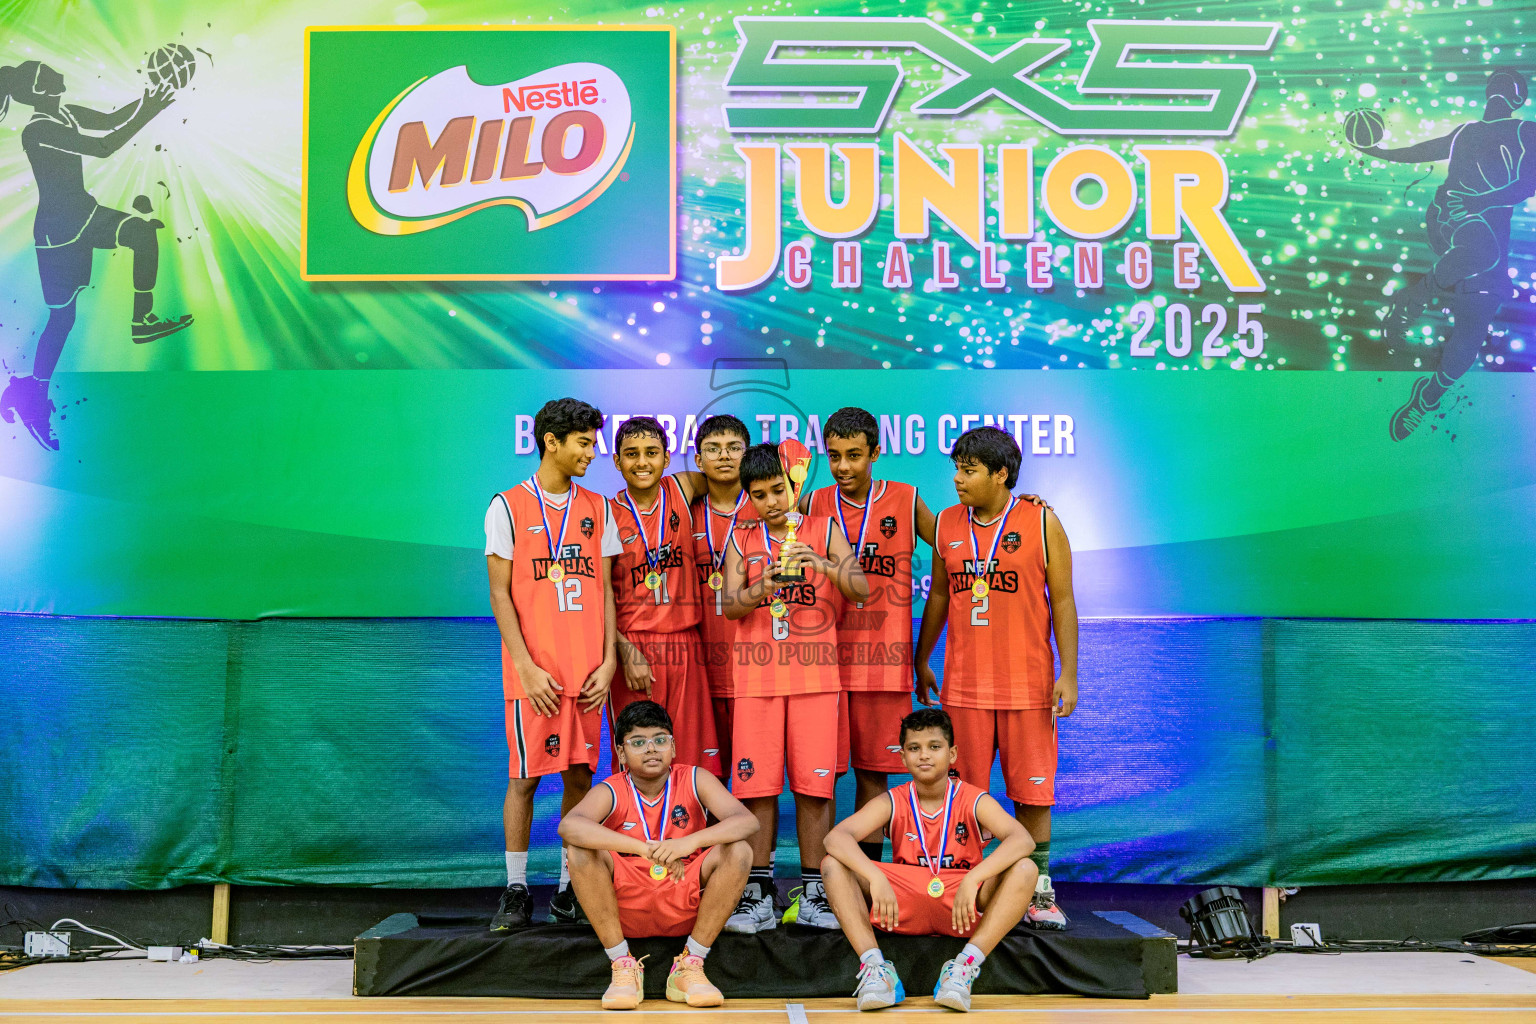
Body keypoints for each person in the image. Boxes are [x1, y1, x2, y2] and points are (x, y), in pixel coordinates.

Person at [804, 408, 1047, 863]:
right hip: (824, 662)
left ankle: (872, 873)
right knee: (823, 778)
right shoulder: (813, 503)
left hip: (884, 662)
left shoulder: (905, 498)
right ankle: (823, 884)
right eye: (834, 456)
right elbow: (770, 516)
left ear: (875, 453)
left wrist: (1017, 504)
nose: (843, 466)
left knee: (874, 774)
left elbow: (964, 539)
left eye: (855, 455)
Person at [915, 426, 1078, 930]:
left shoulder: (1042, 520)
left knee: (1033, 793)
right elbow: (939, 596)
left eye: (969, 470)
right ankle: (971, 887)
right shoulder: (945, 523)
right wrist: (924, 658)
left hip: (1028, 686)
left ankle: (1039, 889)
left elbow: (1064, 601)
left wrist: (1069, 673)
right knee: (964, 795)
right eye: (956, 470)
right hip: (964, 688)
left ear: (1000, 473)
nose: (958, 480)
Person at [0, 61, 192, 451]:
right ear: (39, 89)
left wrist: (148, 98)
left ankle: (142, 320)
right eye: (46, 73)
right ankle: (30, 391)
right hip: (58, 234)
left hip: (86, 214)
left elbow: (109, 121)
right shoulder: (37, 130)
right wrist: (151, 110)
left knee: (142, 233)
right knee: (62, 319)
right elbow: (104, 147)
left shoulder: (65, 112)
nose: (55, 73)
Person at [486, 397, 621, 931]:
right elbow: (500, 594)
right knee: (523, 779)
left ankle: (570, 887)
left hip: (588, 674)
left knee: (581, 777)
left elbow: (607, 591)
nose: (593, 452)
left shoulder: (599, 507)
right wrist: (525, 666)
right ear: (552, 442)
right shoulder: (507, 505)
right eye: (584, 442)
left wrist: (609, 660)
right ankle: (517, 888)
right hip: (536, 675)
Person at [721, 443, 869, 932]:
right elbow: (729, 606)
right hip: (758, 680)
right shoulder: (741, 538)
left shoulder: (824, 528)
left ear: (794, 485)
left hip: (815, 681)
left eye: (778, 490)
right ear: (748, 496)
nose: (771, 502)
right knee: (757, 788)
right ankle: (757, 892)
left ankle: (815, 892)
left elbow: (862, 589)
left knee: (814, 789)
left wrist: (823, 564)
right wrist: (759, 589)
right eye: (759, 494)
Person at [1350, 68, 1536, 440]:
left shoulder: (1524, 131)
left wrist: (1377, 150)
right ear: (1519, 96)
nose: (1497, 96)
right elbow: (1422, 151)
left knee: (1471, 329)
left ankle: (1425, 399)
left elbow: (1528, 182)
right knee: (1479, 248)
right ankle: (1410, 301)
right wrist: (1377, 151)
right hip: (1451, 218)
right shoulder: (1467, 132)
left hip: (1488, 239)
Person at [821, 708, 1039, 1012]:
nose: (924, 755)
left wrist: (976, 877)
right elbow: (835, 838)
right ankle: (877, 970)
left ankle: (963, 968)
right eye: (914, 748)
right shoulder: (893, 799)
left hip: (962, 899)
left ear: (952, 754)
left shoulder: (974, 799)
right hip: (902, 900)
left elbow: (1022, 840)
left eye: (934, 747)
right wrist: (875, 876)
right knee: (832, 864)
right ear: (902, 757)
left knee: (1026, 868)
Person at [559, 700, 758, 1010]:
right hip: (627, 901)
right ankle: (622, 965)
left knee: (740, 850)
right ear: (621, 753)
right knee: (579, 851)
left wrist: (688, 843)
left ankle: (690, 964)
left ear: (673, 746)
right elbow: (570, 826)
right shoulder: (612, 789)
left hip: (684, 891)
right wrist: (645, 848)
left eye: (659, 739)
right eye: (638, 742)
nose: (651, 749)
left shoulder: (694, 778)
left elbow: (747, 821)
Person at [607, 417, 721, 778]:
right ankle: (633, 832)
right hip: (634, 650)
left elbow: (731, 474)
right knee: (637, 756)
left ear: (667, 458)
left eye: (652, 453)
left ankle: (688, 833)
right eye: (631, 454)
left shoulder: (682, 489)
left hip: (685, 642)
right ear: (616, 461)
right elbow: (600, 595)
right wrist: (623, 649)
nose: (642, 462)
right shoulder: (605, 513)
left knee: (688, 755)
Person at [687, 414, 756, 778]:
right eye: (713, 449)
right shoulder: (683, 511)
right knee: (707, 774)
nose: (724, 456)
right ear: (698, 461)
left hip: (753, 663)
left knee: (752, 772)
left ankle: (746, 838)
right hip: (699, 666)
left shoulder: (765, 508)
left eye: (734, 448)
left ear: (748, 455)